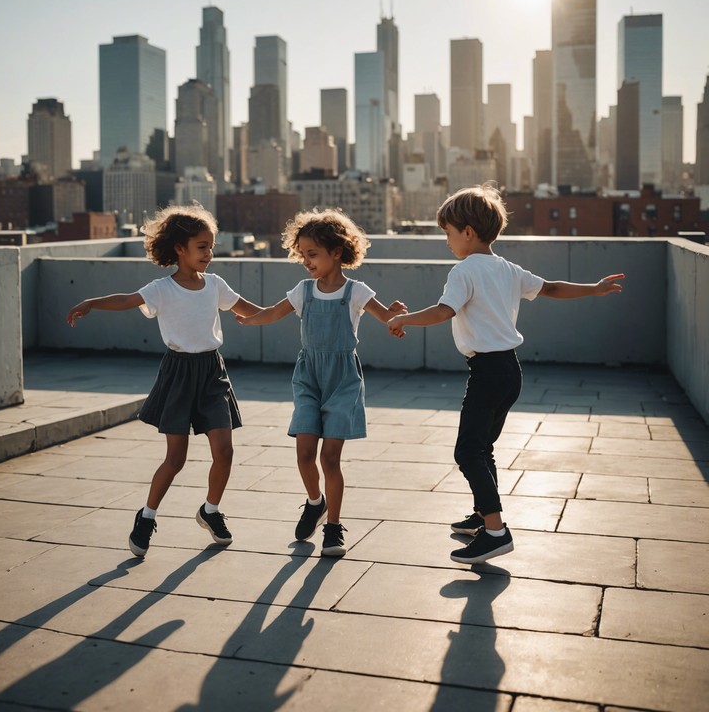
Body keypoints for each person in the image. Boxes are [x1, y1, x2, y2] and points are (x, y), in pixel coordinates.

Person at [387, 185, 624, 565]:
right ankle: (484, 516)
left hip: (486, 371)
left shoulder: (463, 271)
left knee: (467, 451)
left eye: (447, 233)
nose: (446, 242)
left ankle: (495, 532)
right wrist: (593, 290)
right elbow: (552, 288)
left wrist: (403, 318)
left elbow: (442, 311)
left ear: (467, 231)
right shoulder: (508, 269)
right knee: (484, 448)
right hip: (510, 371)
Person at [65, 205, 262, 558]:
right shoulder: (162, 289)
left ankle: (211, 511)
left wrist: (300, 304)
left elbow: (251, 310)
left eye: (211, 246)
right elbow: (127, 300)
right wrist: (91, 303)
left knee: (225, 451)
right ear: (179, 249)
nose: (209, 253)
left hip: (213, 373)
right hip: (178, 374)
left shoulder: (215, 285)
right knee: (176, 458)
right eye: (202, 246)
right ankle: (147, 516)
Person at [237, 209, 407, 557]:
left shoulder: (356, 292)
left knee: (330, 459)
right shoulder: (304, 291)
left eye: (312, 254)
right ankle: (316, 502)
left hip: (343, 379)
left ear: (338, 252)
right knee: (304, 454)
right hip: (309, 376)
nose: (306, 262)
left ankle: (333, 527)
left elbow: (388, 318)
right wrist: (249, 319)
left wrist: (397, 314)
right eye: (302, 255)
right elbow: (272, 312)